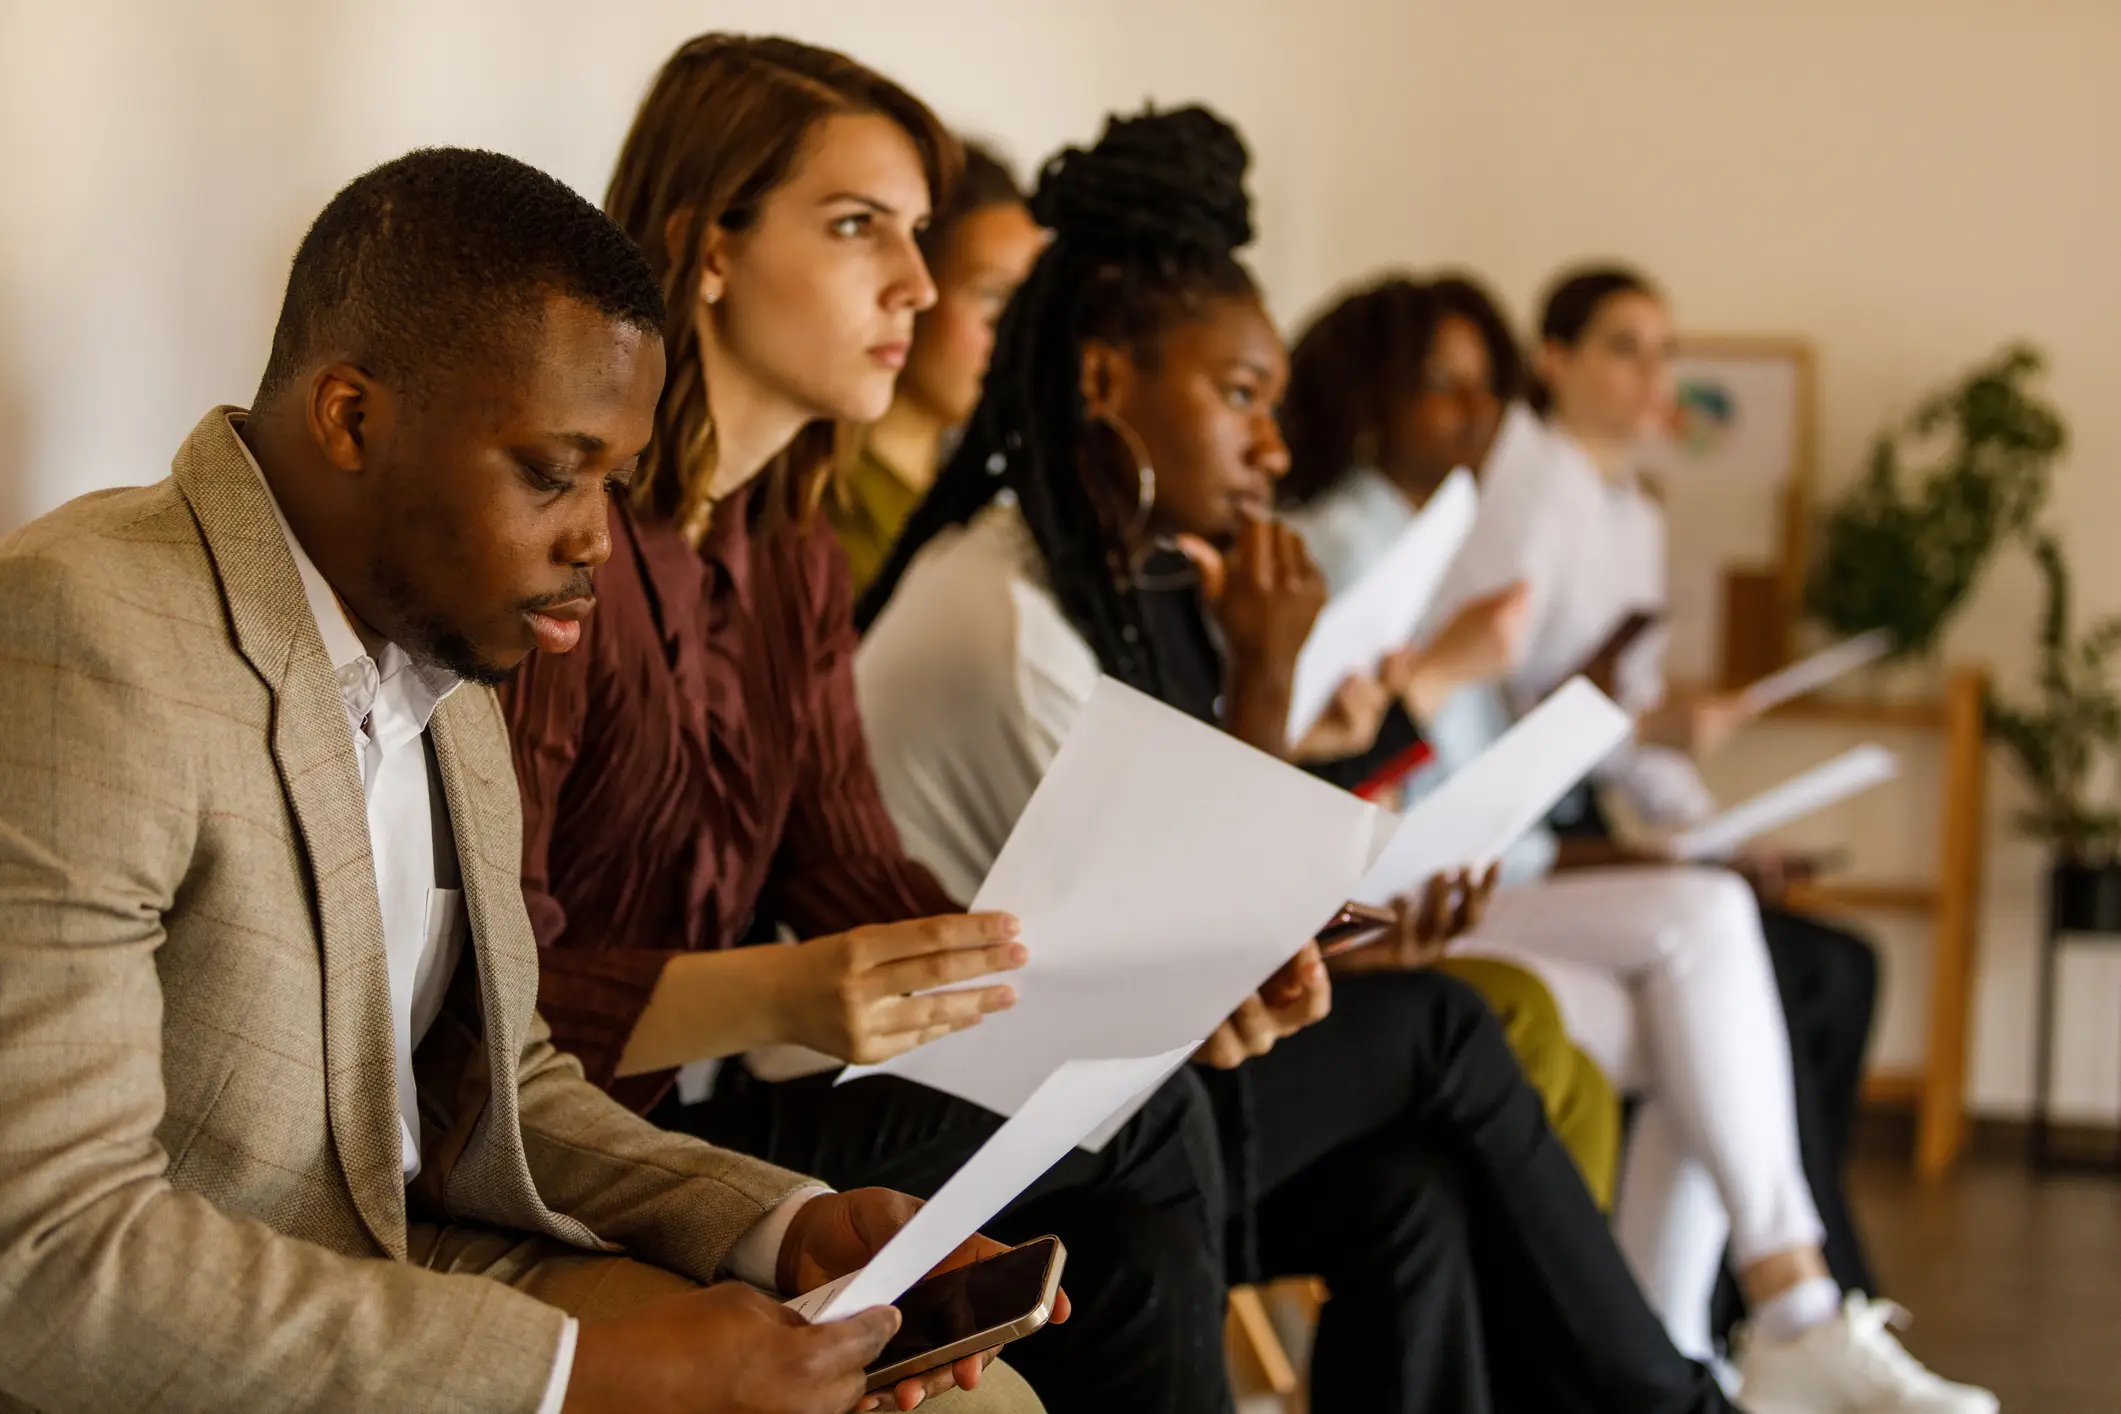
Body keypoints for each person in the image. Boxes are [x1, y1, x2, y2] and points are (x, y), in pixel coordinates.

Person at [0, 146, 1027, 1414]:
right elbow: (47, 1256)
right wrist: (589, 1373)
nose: (598, 537)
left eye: (615, 482)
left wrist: (784, 1225)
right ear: (351, 418)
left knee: (967, 1399)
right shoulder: (87, 632)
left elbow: (495, 1085)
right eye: (551, 472)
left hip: (419, 1261)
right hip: (202, 1344)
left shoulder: (449, 651)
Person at [855, 104, 1749, 1414]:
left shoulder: (1123, 584)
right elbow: (1175, 959)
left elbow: (1191, 943)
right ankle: (1670, 1400)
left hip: (1097, 1070)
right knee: (1447, 1030)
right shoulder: (1007, 614)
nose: (1273, 449)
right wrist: (1267, 678)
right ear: (1103, 384)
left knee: (1410, 1191)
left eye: (1273, 405)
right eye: (1239, 399)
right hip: (977, 1103)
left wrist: (1359, 930)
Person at [503, 36, 1222, 1414]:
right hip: (567, 1146)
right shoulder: (567, 544)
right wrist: (782, 990)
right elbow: (493, 1000)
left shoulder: (792, 555)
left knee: (1142, 1249)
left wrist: (1169, 972)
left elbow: (856, 875)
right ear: (707, 246)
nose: (918, 283)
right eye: (856, 226)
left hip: (692, 1114)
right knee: (1163, 1114)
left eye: (915, 231)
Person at [1280, 269, 1994, 1414]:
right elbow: (1349, 765)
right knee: (1710, 927)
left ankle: (1674, 1357)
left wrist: (1653, 798)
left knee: (1698, 1020)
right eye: (1442, 388)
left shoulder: (1440, 536)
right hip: (1416, 889)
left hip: (1488, 859)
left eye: (1484, 389)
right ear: (1371, 398)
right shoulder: (1351, 542)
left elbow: (1493, 772)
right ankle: (1785, 1314)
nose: (1477, 414)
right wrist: (1491, 689)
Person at [828, 139, 1045, 593]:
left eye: (1030, 305)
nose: (1016, 334)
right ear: (911, 291)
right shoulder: (822, 509)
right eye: (992, 296)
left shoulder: (979, 502)